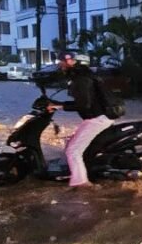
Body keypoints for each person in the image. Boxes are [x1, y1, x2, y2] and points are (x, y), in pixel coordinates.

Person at [48, 52, 113, 188]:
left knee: (73, 150)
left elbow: (83, 104)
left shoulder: (82, 79)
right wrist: (57, 104)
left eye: (63, 62)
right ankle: (78, 173)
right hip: (95, 119)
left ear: (73, 63)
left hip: (96, 120)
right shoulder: (84, 77)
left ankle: (82, 183)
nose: (60, 65)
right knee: (69, 143)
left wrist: (60, 106)